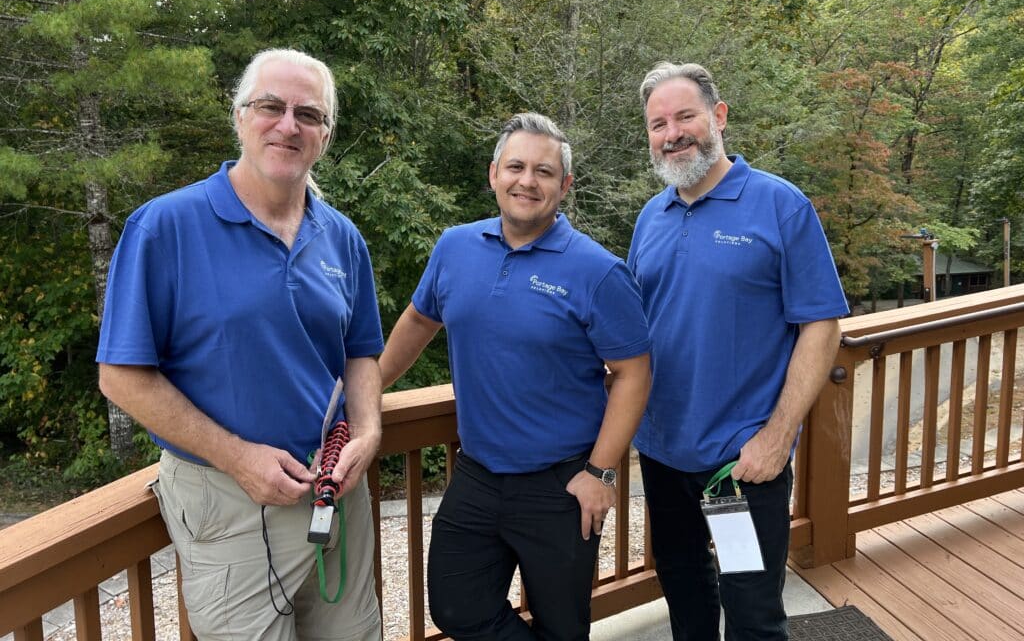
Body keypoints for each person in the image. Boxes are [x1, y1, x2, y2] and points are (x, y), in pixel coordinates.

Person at [96, 49, 384, 641]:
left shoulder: (342, 237)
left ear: (325, 136)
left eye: (308, 114)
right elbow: (121, 376)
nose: (288, 124)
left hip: (334, 490)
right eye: (270, 107)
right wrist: (236, 457)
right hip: (227, 500)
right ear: (239, 117)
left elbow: (361, 354)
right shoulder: (165, 226)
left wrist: (370, 430)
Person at [379, 112, 651, 641]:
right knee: (456, 607)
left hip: (563, 484)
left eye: (544, 172)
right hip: (477, 474)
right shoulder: (455, 247)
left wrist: (602, 474)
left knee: (562, 625)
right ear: (494, 174)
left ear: (565, 186)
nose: (527, 181)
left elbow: (634, 374)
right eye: (516, 167)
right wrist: (369, 391)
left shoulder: (597, 271)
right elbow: (418, 319)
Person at [627, 62, 849, 641]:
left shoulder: (778, 205)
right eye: (658, 123)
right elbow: (636, 328)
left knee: (751, 611)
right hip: (662, 455)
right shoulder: (652, 217)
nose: (672, 133)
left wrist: (776, 438)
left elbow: (821, 325)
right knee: (687, 597)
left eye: (685, 116)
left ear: (718, 117)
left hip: (737, 465)